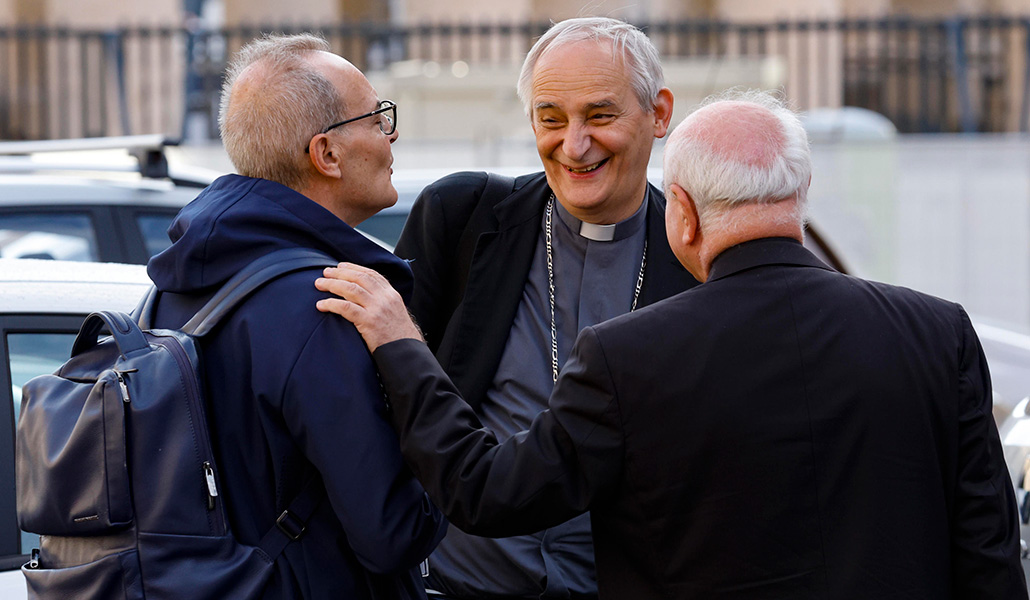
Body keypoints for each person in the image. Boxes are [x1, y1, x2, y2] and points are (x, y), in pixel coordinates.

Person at [314, 89, 1028, 599]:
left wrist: (402, 341)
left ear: (680, 211)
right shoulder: (939, 334)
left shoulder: (627, 358)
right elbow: (990, 556)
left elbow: (487, 491)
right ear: (801, 191)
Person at [393, 16, 698, 599]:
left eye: (600, 116)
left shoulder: (695, 258)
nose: (574, 145)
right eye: (550, 119)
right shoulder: (460, 218)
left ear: (659, 114)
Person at [145, 33, 446, 599]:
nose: (392, 134)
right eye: (378, 118)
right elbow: (394, 534)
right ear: (326, 154)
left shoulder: (167, 293)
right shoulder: (329, 303)